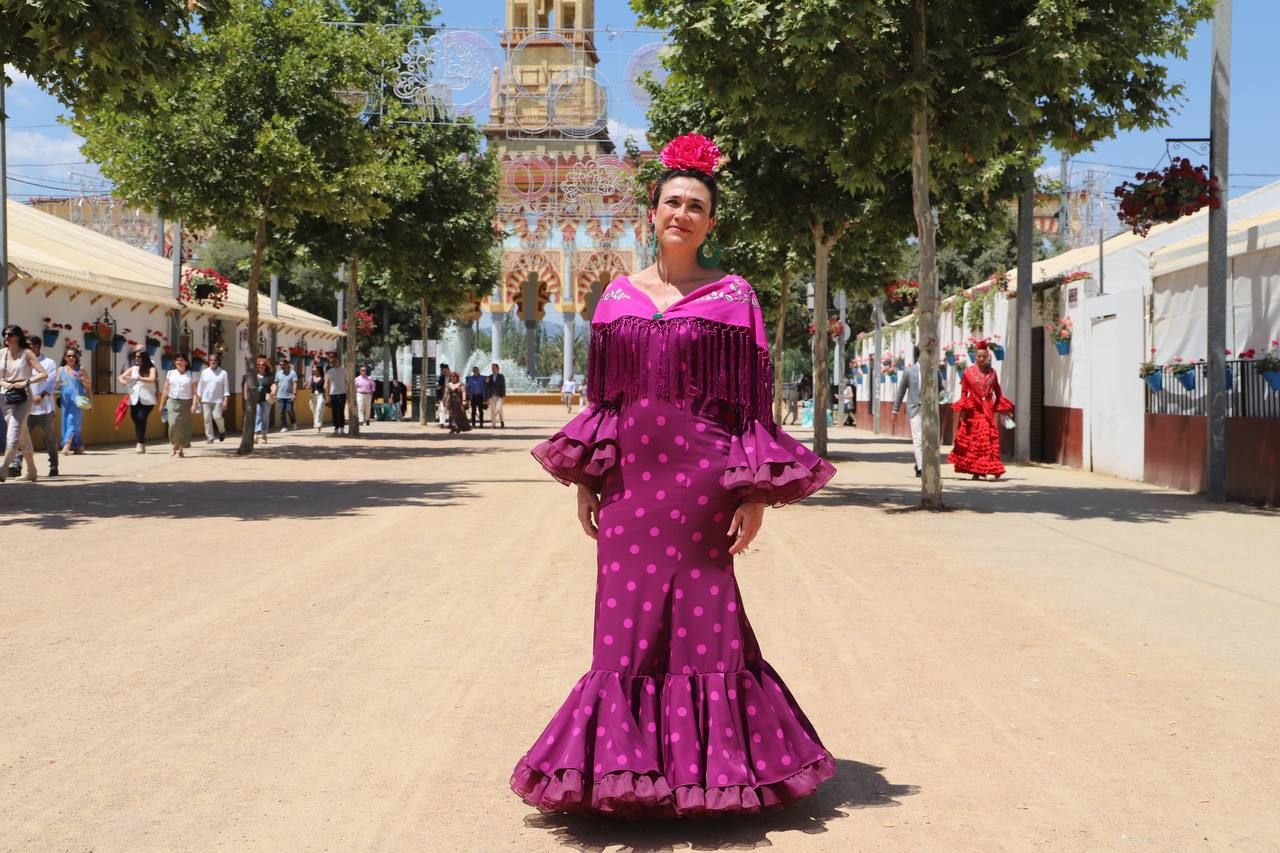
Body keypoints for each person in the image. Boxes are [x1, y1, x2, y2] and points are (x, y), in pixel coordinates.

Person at [513, 133, 837, 818]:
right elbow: (604, 401)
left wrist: (753, 491)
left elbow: (750, 405)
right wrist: (586, 478)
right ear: (652, 212)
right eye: (672, 202)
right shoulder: (616, 296)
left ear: (711, 223)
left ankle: (712, 773)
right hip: (629, 485)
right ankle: (624, 771)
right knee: (624, 623)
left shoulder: (734, 295)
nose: (682, 213)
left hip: (703, 483)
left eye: (696, 206)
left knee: (704, 622)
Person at [948, 341, 1014, 480]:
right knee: (975, 439)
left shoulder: (992, 373)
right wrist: (963, 410)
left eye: (984, 356)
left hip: (987, 409)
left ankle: (988, 469)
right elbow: (964, 392)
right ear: (975, 356)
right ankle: (976, 471)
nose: (981, 359)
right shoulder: (968, 372)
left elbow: (998, 392)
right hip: (973, 410)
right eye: (979, 356)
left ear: (988, 357)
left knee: (986, 437)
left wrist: (1003, 409)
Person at [1, 325, 49, 482]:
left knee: (13, 431)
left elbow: (43, 374)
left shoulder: (27, 353)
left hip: (23, 397)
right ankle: (32, 471)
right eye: (4, 334)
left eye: (10, 334)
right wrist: (4, 383)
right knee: (22, 434)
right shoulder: (2, 353)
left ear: (18, 336)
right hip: (5, 397)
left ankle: (3, 468)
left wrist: (26, 382)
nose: (6, 336)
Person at [893, 345, 944, 478]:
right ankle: (922, 468)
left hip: (930, 410)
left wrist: (941, 396)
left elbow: (941, 389)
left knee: (930, 440)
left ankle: (920, 463)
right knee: (918, 439)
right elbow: (901, 391)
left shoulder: (935, 371)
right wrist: (895, 410)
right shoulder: (909, 371)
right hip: (915, 408)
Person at [13, 335, 59, 478]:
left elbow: (51, 381)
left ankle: (53, 465)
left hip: (45, 409)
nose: (27, 348)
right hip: (25, 407)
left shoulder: (48, 362)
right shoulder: (21, 362)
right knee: (21, 437)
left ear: (37, 346)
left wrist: (41, 395)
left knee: (49, 439)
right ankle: (17, 465)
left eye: (29, 345)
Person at [118, 348, 158, 453]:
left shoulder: (151, 368)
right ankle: (142, 437)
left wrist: (139, 378)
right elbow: (121, 377)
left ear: (144, 357)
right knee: (135, 419)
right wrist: (124, 382)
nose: (136, 358)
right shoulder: (133, 368)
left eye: (139, 356)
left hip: (147, 399)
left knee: (141, 418)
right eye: (135, 356)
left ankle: (140, 442)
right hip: (134, 398)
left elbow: (152, 379)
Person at [158, 352, 197, 457]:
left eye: (181, 360)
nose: (179, 362)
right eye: (177, 360)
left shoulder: (191, 374)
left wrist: (194, 405)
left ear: (186, 362)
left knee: (183, 426)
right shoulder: (170, 373)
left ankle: (180, 448)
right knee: (173, 424)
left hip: (186, 403)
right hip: (172, 401)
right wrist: (161, 404)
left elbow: (195, 392)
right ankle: (174, 444)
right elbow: (165, 389)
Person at [54, 349, 90, 454]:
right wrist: (58, 382)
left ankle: (66, 445)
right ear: (65, 357)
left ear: (76, 357)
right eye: (69, 356)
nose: (71, 358)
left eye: (73, 356)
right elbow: (56, 384)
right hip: (65, 401)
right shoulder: (61, 369)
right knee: (66, 422)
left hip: (77, 401)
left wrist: (81, 379)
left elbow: (89, 385)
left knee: (72, 421)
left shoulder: (81, 369)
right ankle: (78, 446)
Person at [195, 352, 230, 444]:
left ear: (218, 361)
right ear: (208, 361)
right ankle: (210, 437)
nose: (213, 362)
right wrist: (198, 398)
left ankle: (222, 430)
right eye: (211, 360)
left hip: (218, 400)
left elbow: (226, 388)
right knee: (207, 418)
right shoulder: (204, 372)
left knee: (217, 416)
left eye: (214, 360)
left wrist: (225, 400)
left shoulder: (223, 373)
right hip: (206, 399)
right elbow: (200, 386)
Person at [244, 355, 277, 444]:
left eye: (262, 364)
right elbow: (246, 385)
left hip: (266, 399)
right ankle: (256, 434)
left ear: (266, 366)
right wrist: (246, 397)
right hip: (256, 399)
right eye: (258, 364)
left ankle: (264, 434)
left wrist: (273, 391)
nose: (260, 366)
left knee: (265, 417)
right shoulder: (253, 375)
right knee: (257, 415)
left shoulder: (269, 376)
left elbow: (273, 384)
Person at [324, 354, 347, 435]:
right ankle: (336, 427)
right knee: (334, 411)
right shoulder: (329, 372)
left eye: (334, 361)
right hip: (333, 394)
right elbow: (326, 384)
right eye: (331, 362)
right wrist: (327, 396)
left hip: (342, 393)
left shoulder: (344, 370)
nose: (333, 363)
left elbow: (347, 382)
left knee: (341, 410)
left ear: (338, 361)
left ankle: (342, 427)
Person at [275, 358, 298, 432]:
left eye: (283, 364)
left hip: (289, 395)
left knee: (289, 410)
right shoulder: (278, 373)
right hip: (280, 395)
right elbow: (276, 384)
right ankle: (284, 426)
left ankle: (293, 422)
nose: (282, 366)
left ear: (287, 364)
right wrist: (275, 393)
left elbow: (295, 383)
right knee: (281, 412)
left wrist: (294, 394)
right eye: (280, 365)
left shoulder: (292, 373)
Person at [486, 363, 506, 428]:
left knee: (499, 409)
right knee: (492, 411)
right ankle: (493, 425)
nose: (493, 369)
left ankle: (501, 421)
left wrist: (503, 396)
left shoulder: (501, 376)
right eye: (492, 368)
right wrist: (487, 382)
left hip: (499, 396)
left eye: (494, 368)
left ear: (497, 369)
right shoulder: (489, 377)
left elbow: (503, 386)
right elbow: (488, 387)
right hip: (492, 396)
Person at [308, 363, 326, 432]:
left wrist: (326, 396)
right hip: (313, 395)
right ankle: (316, 424)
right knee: (314, 410)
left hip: (321, 395)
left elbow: (326, 387)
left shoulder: (323, 378)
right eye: (313, 368)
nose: (313, 370)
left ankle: (318, 424)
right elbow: (309, 387)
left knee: (319, 409)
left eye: (314, 368)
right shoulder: (311, 378)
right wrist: (306, 386)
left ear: (319, 370)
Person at [435, 362, 451, 427]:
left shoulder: (453, 376)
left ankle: (450, 422)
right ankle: (442, 423)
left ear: (448, 369)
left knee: (450, 410)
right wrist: (438, 387)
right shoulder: (442, 377)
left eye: (445, 371)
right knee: (442, 409)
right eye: (443, 371)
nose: (444, 372)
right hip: (443, 395)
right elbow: (439, 386)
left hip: (451, 396)